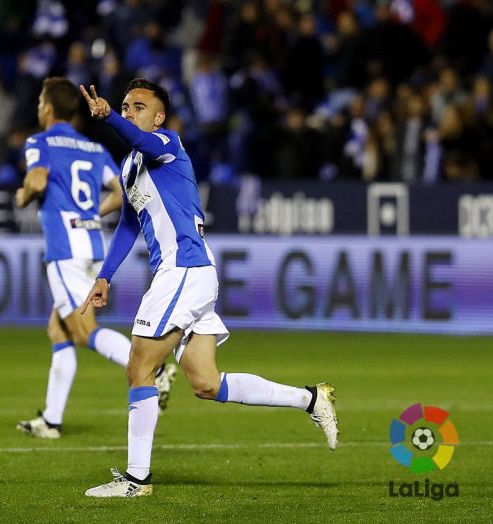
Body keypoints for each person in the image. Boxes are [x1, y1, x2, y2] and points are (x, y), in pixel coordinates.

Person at [79, 79, 339, 497]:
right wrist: (105, 276)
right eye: (125, 106)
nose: (129, 112)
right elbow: (129, 224)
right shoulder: (130, 167)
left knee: (139, 366)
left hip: (183, 267)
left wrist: (109, 117)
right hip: (191, 273)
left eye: (138, 107)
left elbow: (139, 139)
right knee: (206, 383)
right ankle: (311, 399)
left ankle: (136, 480)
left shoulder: (167, 143)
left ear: (159, 117)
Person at [14, 77, 177, 439]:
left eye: (41, 102)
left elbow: (38, 182)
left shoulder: (38, 142)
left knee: (85, 332)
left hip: (65, 250)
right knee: (59, 330)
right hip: (91, 244)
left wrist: (24, 195)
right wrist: (92, 213)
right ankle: (52, 421)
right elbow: (122, 191)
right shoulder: (91, 148)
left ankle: (155, 367)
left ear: (47, 108)